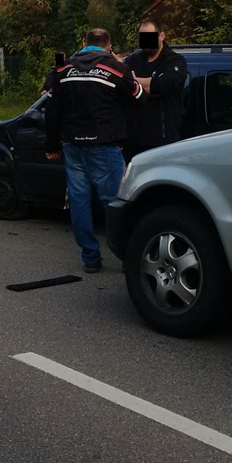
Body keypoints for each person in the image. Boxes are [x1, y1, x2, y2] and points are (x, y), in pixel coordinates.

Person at [45, 28, 144, 272]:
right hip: (104, 145)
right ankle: (125, 257)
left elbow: (52, 110)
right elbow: (139, 98)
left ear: (85, 43)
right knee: (114, 203)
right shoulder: (115, 68)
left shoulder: (63, 69)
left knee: (79, 201)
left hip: (72, 145)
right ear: (108, 46)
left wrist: (52, 144)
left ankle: (90, 257)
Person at [122, 18, 188, 162]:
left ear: (161, 36)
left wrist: (133, 82)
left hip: (162, 142)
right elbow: (120, 84)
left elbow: (160, 85)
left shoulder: (175, 61)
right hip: (132, 141)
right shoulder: (133, 60)